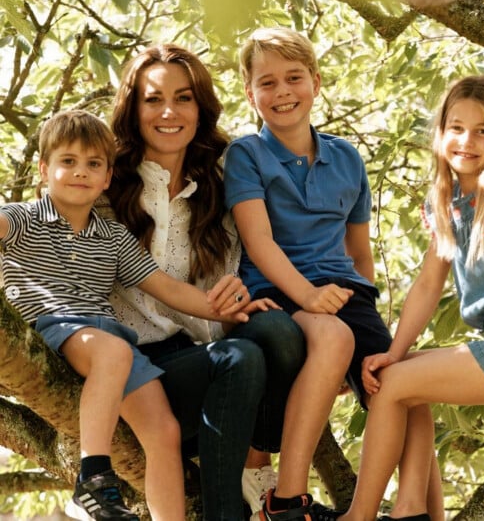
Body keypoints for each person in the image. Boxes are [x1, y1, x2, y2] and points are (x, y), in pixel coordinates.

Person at [320, 14, 484, 521]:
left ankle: (361, 516)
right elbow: (424, 287)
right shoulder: (448, 203)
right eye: (456, 128)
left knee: (394, 388)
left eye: (482, 130)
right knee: (403, 376)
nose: (467, 140)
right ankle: (417, 510)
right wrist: (394, 352)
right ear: (439, 135)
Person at [0, 110, 279, 521]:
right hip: (52, 328)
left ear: (108, 177)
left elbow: (166, 288)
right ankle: (91, 481)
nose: (81, 172)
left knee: (163, 431)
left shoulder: (112, 236)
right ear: (44, 170)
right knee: (114, 350)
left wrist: (229, 308)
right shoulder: (21, 219)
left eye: (94, 164)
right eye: (68, 162)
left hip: (107, 342)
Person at [223, 27, 444, 521]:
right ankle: (287, 500)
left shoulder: (345, 157)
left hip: (347, 296)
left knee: (401, 378)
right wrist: (308, 294)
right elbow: (259, 241)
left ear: (316, 83)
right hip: (275, 293)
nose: (282, 92)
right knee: (332, 337)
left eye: (294, 78)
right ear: (249, 92)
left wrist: (363, 309)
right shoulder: (246, 155)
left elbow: (358, 253)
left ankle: (414, 509)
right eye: (267, 83)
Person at [103, 43, 307, 520]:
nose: (169, 111)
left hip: (216, 365)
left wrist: (242, 293)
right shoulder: (104, 179)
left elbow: (280, 245)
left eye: (184, 97)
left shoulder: (226, 172)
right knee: (240, 357)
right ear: (133, 109)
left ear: (202, 107)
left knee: (277, 332)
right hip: (139, 373)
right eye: (153, 99)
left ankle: (258, 465)